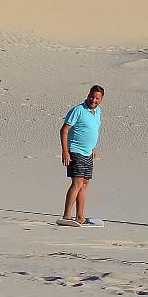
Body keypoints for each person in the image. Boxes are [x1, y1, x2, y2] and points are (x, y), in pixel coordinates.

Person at [57, 85, 105, 227]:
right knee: (77, 183)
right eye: (92, 96)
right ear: (88, 95)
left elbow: (92, 130)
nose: (93, 100)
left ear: (101, 100)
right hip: (75, 151)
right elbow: (64, 130)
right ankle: (66, 215)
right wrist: (65, 151)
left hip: (88, 153)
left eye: (97, 98)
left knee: (84, 184)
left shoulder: (97, 111)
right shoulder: (78, 110)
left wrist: (93, 147)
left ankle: (80, 216)